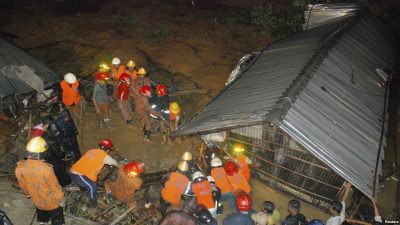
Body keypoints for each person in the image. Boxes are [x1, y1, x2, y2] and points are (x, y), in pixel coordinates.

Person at [15, 137, 65, 225]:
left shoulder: (20, 168)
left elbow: (23, 186)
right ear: (40, 153)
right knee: (57, 215)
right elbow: (55, 187)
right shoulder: (46, 169)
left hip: (37, 200)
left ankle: (42, 222)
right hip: (51, 203)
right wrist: (61, 200)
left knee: (41, 211)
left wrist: (27, 194)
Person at [69, 138, 118, 215]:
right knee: (92, 186)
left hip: (74, 172)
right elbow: (115, 163)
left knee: (87, 184)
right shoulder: (105, 156)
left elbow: (90, 162)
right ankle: (94, 207)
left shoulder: (91, 151)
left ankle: (83, 192)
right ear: (108, 150)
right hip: (79, 175)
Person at [33, 116, 71, 187]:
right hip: (51, 155)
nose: (53, 125)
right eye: (51, 124)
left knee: (53, 169)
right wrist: (62, 154)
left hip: (44, 155)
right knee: (59, 169)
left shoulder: (40, 130)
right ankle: (64, 183)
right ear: (47, 124)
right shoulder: (46, 136)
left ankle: (57, 183)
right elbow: (54, 148)